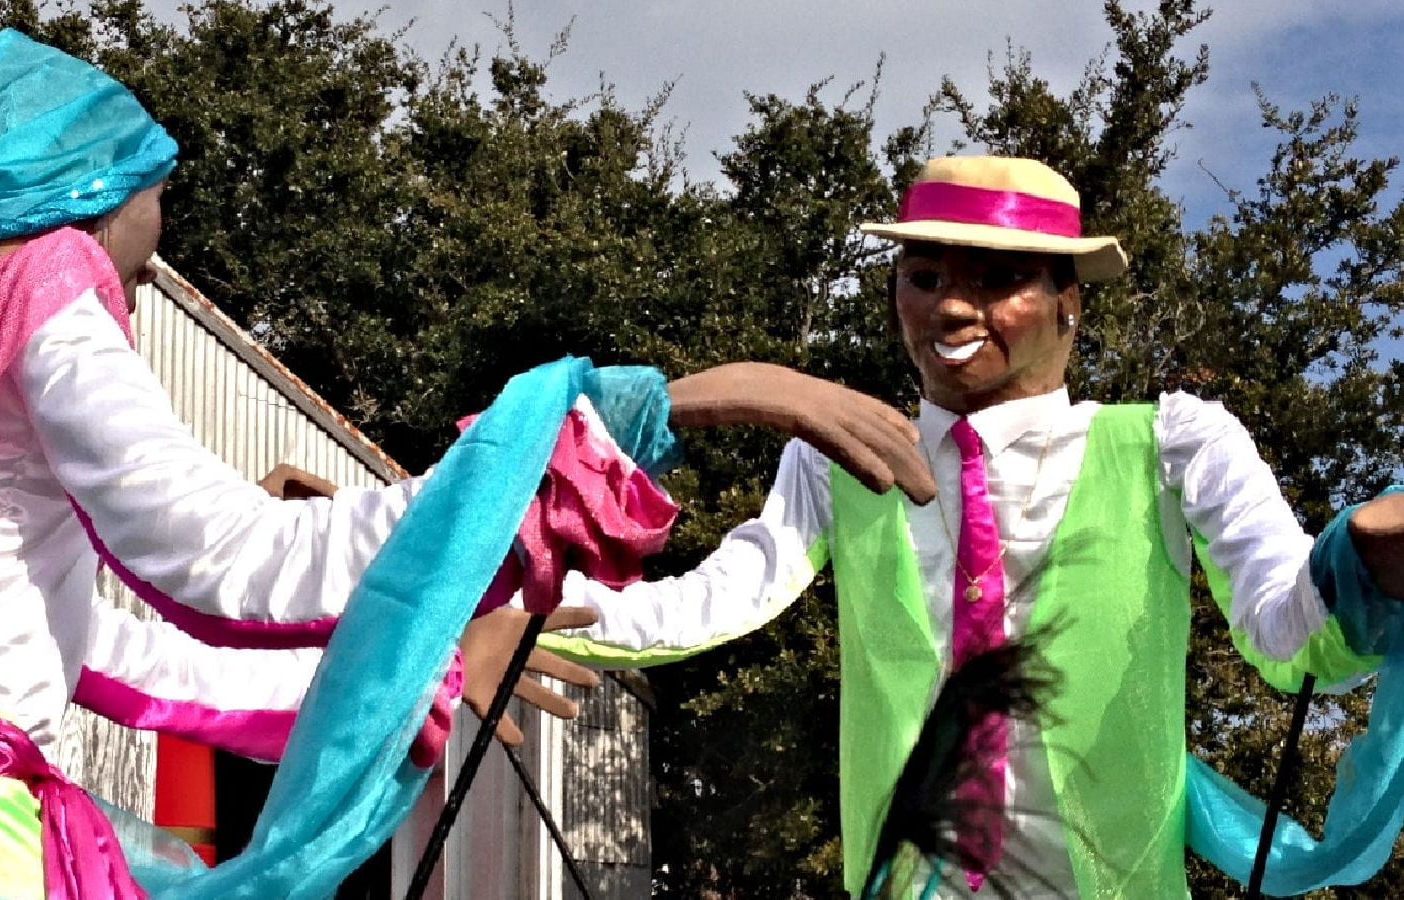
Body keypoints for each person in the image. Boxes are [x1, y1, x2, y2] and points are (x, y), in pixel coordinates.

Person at [0, 29, 935, 900]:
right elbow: (231, 556)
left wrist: (420, 679)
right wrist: (653, 407)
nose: (149, 264)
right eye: (152, 206)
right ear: (79, 201)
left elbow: (105, 651)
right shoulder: (47, 299)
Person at [546, 155, 1404, 898]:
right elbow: (719, 598)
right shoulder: (838, 456)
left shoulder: (1174, 445)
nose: (952, 309)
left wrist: (1366, 558)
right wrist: (526, 604)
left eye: (995, 279)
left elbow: (1294, 640)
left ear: (1068, 300)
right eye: (925, 277)